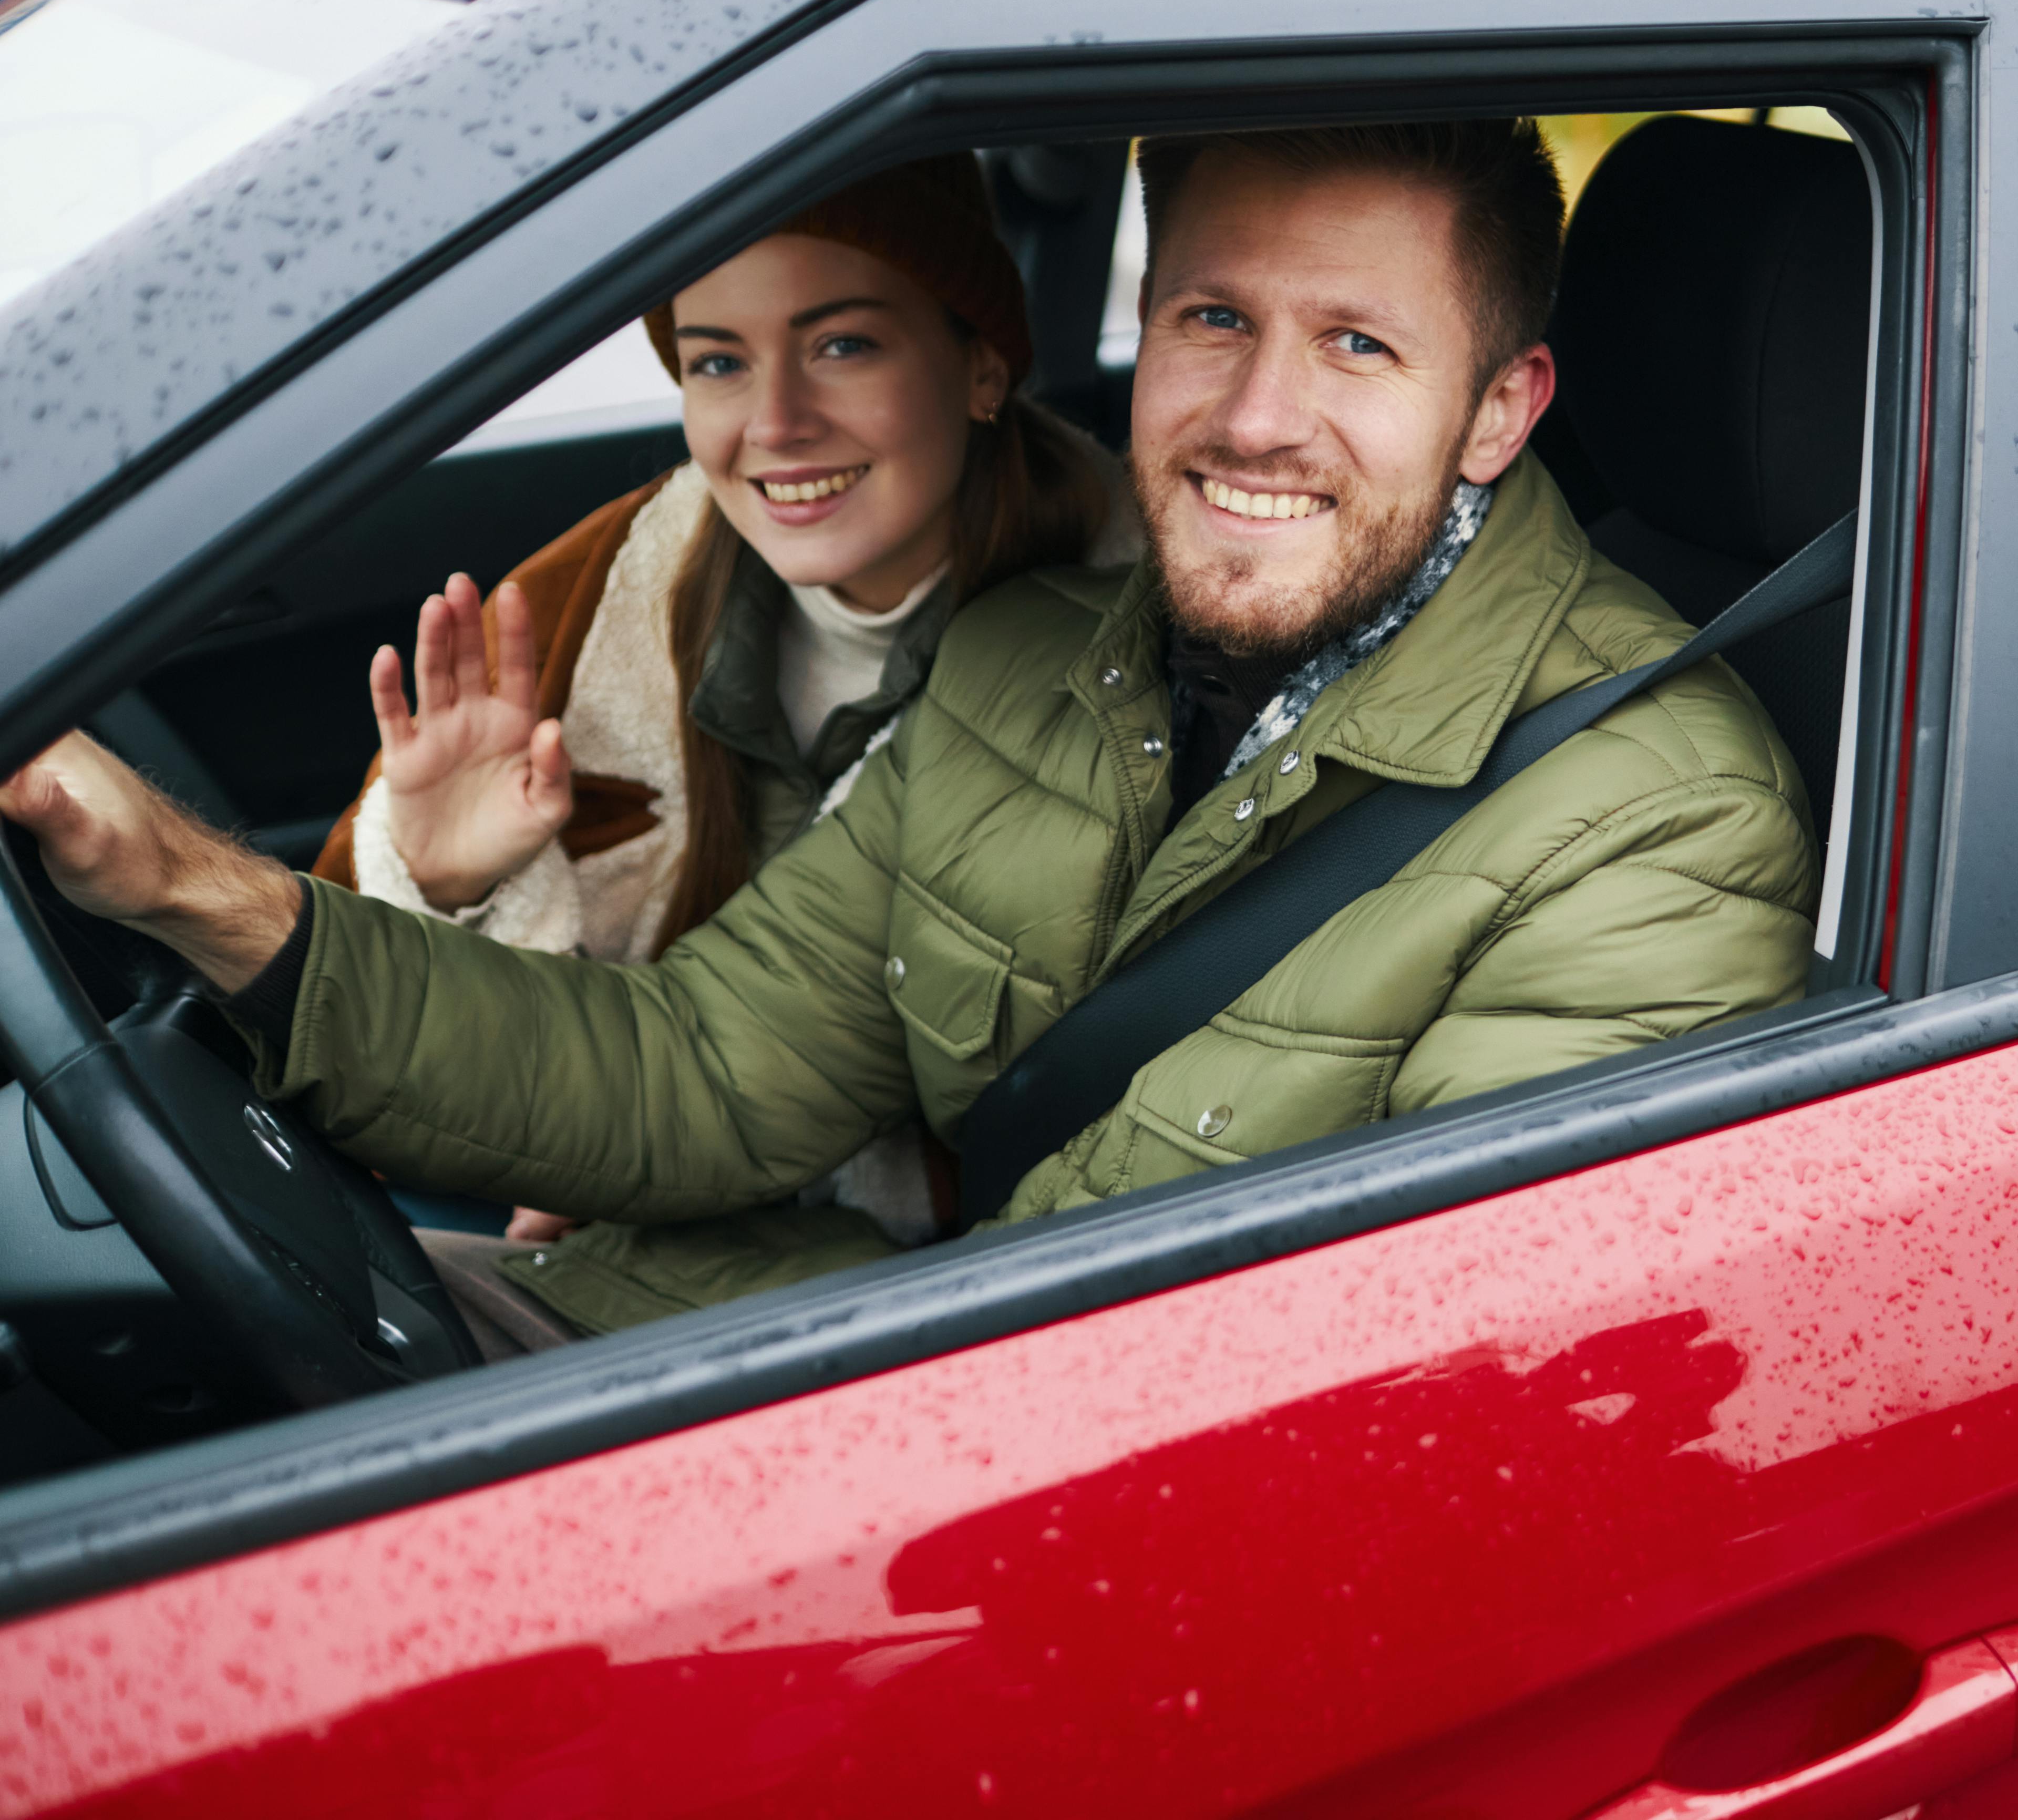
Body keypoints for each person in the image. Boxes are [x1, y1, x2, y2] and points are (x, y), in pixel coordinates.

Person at [2, 119, 1821, 1355]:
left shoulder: (1652, 823)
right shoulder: (1043, 655)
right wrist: (185, 886)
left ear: (1501, 410)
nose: (1256, 416)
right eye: (1212, 319)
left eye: (1357, 345)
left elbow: (1429, 1402)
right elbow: (693, 1074)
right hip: (903, 1380)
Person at [309, 152, 1128, 1344]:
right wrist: (453, 886)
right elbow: (369, 1025)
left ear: (983, 365)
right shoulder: (611, 594)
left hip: (950, 1301)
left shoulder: (1138, 650)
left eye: (844, 344)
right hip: (666, 1217)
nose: (775, 424)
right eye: (718, 363)